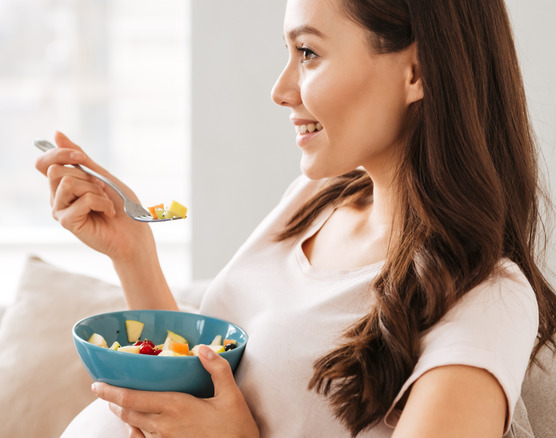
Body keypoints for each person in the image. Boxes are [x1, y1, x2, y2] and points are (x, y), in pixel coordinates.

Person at [35, 0, 556, 436]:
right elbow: (200, 390)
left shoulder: (490, 299)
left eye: (308, 53)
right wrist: (132, 249)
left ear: (417, 71)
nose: (281, 89)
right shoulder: (313, 199)